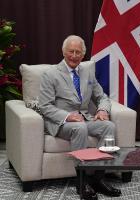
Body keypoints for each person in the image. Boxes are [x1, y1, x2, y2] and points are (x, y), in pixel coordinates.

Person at [39, 35, 121, 200]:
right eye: (71, 51)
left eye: (78, 52)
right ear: (64, 52)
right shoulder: (50, 74)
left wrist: (103, 110)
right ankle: (82, 182)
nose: (74, 56)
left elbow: (102, 97)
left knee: (109, 126)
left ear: (83, 55)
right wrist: (68, 116)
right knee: (79, 127)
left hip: (84, 119)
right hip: (61, 122)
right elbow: (44, 106)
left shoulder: (88, 72)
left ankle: (98, 178)